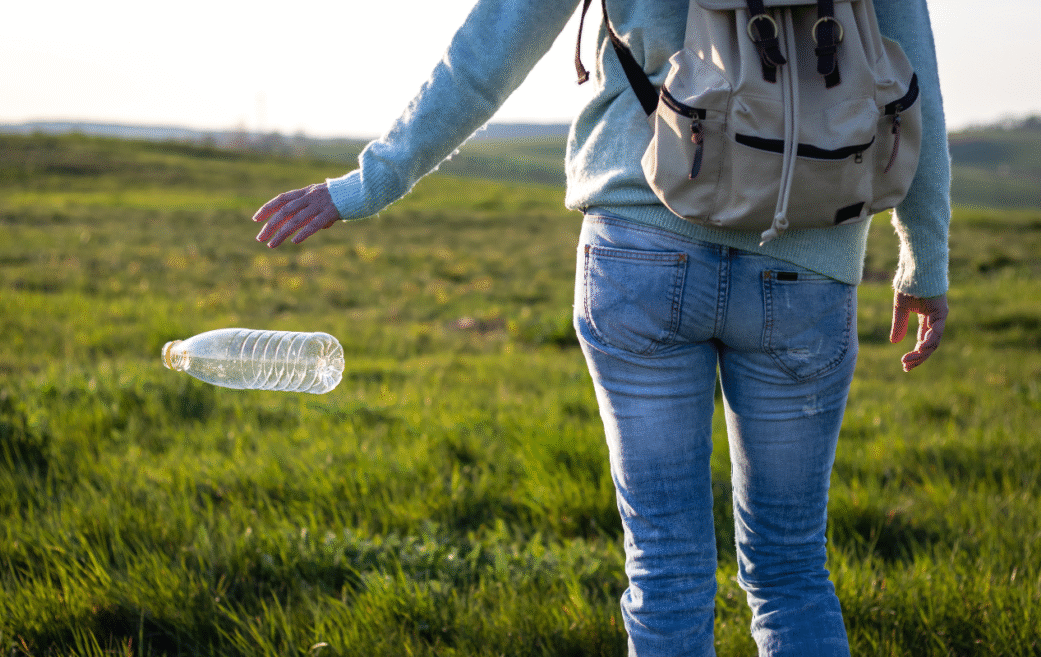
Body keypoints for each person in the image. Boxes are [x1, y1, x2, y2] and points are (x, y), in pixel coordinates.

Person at [251, 0, 950, 654]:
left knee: (666, 566)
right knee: (791, 570)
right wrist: (925, 260)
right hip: (809, 258)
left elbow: (488, 53)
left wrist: (367, 184)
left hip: (642, 243)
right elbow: (913, 77)